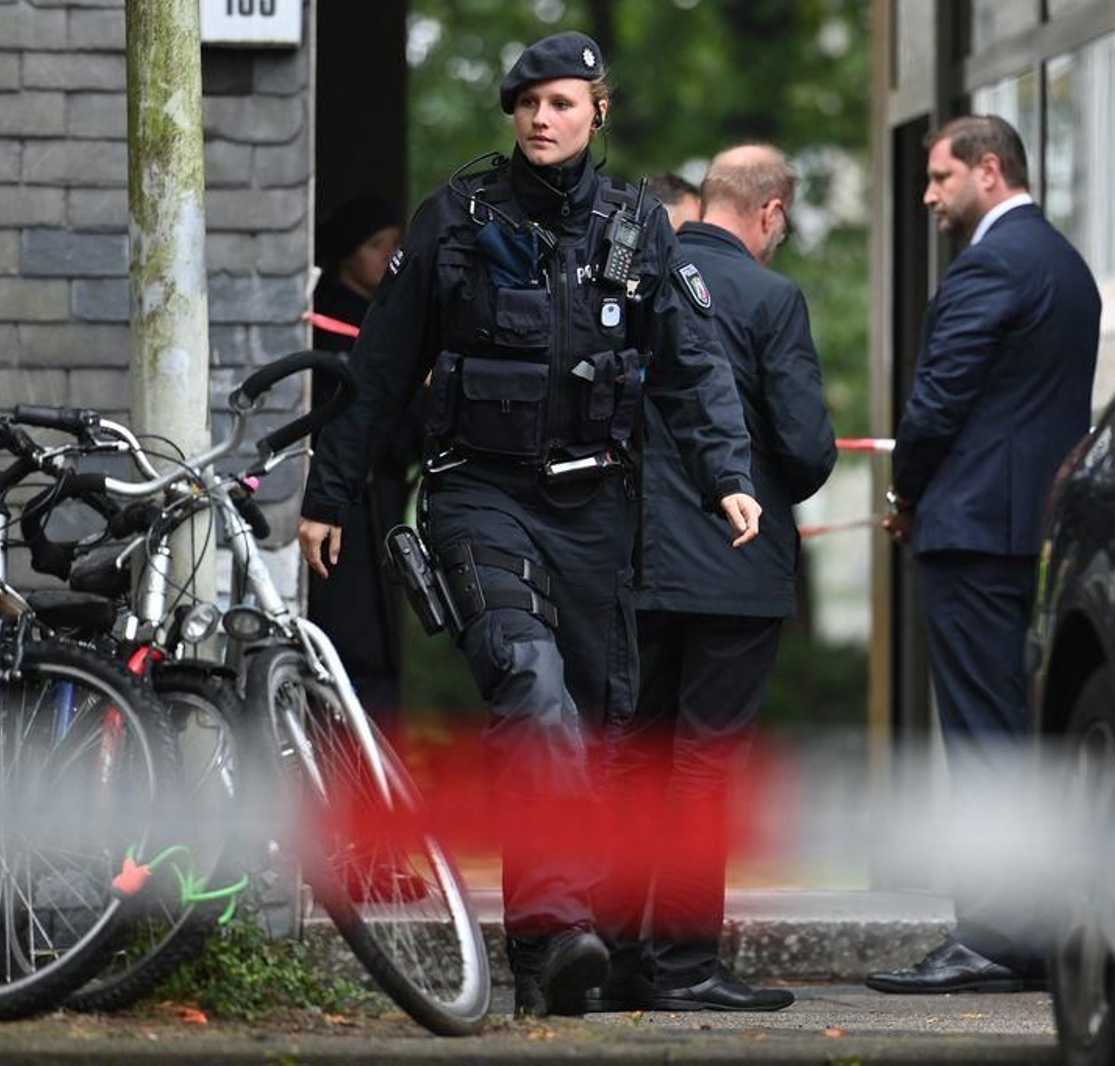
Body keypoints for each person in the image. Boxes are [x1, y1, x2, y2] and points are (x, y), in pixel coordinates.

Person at [297, 30, 763, 1018]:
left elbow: (692, 365)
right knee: (532, 691)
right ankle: (556, 936)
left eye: (560, 103)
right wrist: (328, 496)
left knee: (591, 734)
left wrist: (727, 471)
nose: (541, 119)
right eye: (526, 105)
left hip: (597, 508)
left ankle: (549, 961)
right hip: (479, 496)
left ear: (598, 111)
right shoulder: (455, 219)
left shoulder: (642, 227)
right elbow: (377, 373)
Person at [594, 145, 836, 1013]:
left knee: (633, 759)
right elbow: (807, 450)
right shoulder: (771, 299)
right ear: (769, 213)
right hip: (737, 569)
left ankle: (618, 958)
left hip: (634, 561)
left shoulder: (631, 287)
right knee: (706, 767)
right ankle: (690, 964)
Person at [868, 115, 1099, 995]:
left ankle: (995, 937)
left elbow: (936, 401)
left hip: (971, 534)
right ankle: (1032, 932)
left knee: (979, 738)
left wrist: (908, 496)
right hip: (1033, 531)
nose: (927, 196)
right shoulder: (1066, 266)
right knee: (1016, 733)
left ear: (989, 171)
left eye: (938, 177)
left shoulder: (993, 265)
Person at [308, 195, 418, 723]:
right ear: (347, 254)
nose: (390, 256)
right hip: (339, 503)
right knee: (345, 641)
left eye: (396, 244)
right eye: (378, 245)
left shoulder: (396, 319)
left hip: (385, 500)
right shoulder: (321, 326)